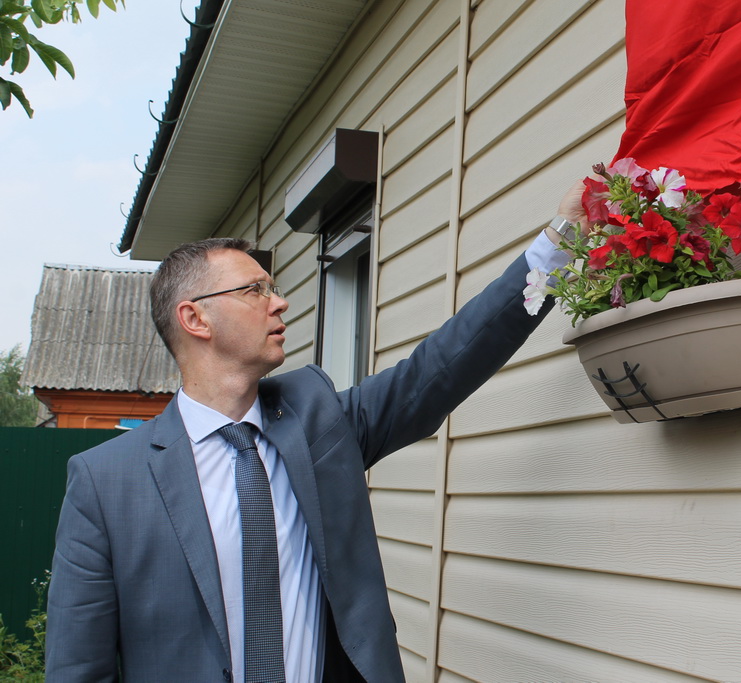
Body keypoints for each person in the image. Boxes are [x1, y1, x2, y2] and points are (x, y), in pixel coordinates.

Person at [45, 184, 589, 682]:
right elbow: (79, 668)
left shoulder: (320, 424)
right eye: (255, 290)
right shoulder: (105, 483)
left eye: (274, 288)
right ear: (195, 319)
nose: (279, 301)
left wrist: (561, 241)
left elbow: (443, 365)